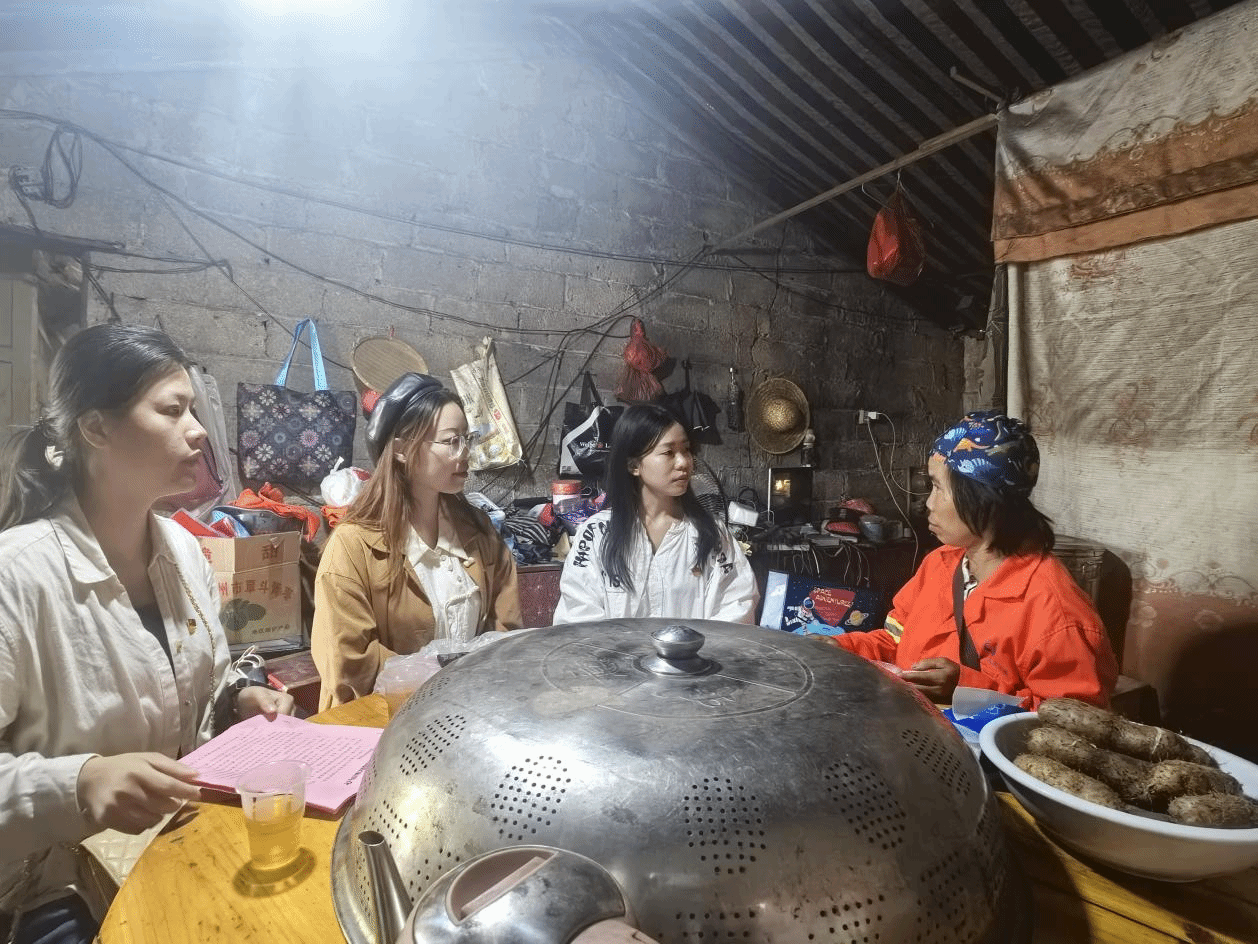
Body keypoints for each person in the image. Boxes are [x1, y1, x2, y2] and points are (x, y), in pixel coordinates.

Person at [0, 323, 294, 944]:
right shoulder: (17, 575)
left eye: (194, 409)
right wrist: (79, 783)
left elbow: (203, 680)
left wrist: (238, 697)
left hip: (175, 841)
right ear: (96, 428)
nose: (199, 430)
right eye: (172, 410)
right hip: (57, 887)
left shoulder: (184, 551)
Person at [823, 410, 1117, 708]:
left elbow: (1072, 722)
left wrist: (965, 690)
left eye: (938, 487)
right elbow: (895, 642)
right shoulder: (939, 564)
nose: (928, 503)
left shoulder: (1057, 612)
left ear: (983, 498)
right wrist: (839, 647)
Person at [312, 372, 521, 709]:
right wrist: (437, 680)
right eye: (451, 441)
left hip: (468, 714)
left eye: (467, 439)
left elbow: (505, 631)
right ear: (401, 450)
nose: (465, 452)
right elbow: (348, 663)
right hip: (384, 723)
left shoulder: (479, 532)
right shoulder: (353, 546)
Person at [553, 403, 758, 624]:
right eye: (669, 452)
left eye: (686, 450)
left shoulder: (711, 533)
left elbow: (736, 605)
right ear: (634, 465)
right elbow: (578, 617)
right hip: (613, 649)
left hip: (698, 648)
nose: (684, 462)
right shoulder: (596, 534)